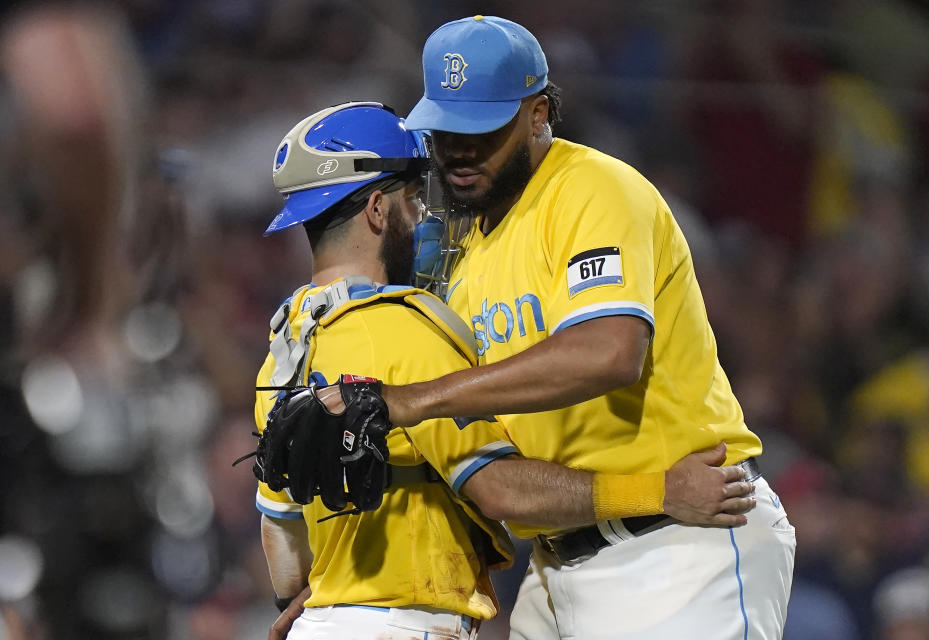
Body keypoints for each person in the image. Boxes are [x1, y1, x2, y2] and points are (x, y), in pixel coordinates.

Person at [332, 15, 797, 639]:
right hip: (559, 562)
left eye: (483, 128)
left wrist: (409, 400)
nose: (461, 151)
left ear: (539, 113)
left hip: (684, 544)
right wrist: (335, 589)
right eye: (446, 131)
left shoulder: (592, 190)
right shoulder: (465, 254)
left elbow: (609, 352)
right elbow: (493, 482)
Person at [254, 102, 758, 640]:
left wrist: (324, 599)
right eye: (414, 198)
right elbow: (499, 491)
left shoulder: (284, 349)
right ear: (378, 210)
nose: (426, 216)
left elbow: (279, 533)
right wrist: (657, 492)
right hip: (405, 625)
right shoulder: (406, 329)